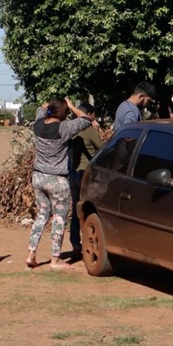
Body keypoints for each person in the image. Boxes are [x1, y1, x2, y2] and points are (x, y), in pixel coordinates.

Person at [27, 97, 92, 270]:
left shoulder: (38, 123)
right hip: (57, 179)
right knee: (59, 219)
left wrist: (54, 104)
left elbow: (41, 107)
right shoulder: (64, 128)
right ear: (64, 112)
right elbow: (87, 119)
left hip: (38, 177)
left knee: (41, 215)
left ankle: (31, 254)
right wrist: (71, 105)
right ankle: (55, 259)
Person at [67, 103, 104, 261]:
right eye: (93, 115)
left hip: (72, 175)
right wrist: (99, 132)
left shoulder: (71, 130)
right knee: (90, 212)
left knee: (76, 211)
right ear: (89, 114)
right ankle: (91, 245)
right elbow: (103, 150)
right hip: (85, 175)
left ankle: (75, 245)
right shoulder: (89, 131)